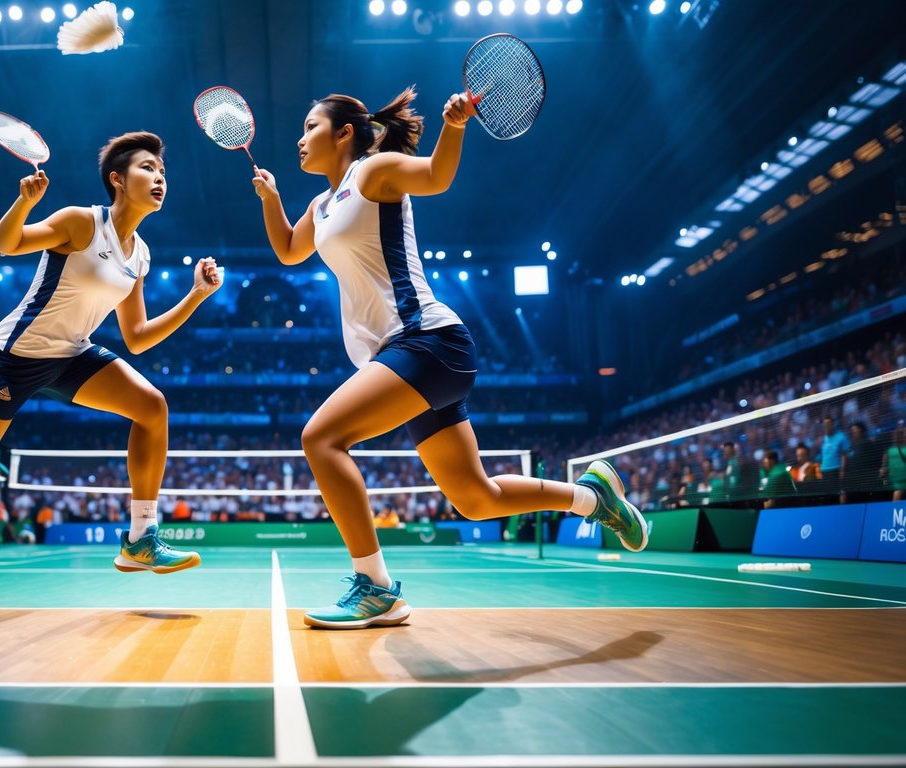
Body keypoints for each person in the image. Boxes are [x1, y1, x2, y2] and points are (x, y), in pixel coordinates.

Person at [250, 87, 646, 629]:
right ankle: (592, 498)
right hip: (405, 359)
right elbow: (290, 250)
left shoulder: (374, 171)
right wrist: (271, 198)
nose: (300, 138)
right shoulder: (321, 206)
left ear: (344, 133)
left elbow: (436, 175)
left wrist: (454, 127)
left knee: (321, 438)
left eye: (310, 126)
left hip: (427, 343)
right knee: (475, 498)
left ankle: (377, 588)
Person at [0, 131, 222, 574]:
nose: (159, 178)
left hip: (72, 356)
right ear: (117, 179)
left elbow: (136, 337)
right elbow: (8, 243)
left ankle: (140, 538)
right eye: (147, 168)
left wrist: (195, 296)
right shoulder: (81, 222)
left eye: (162, 171)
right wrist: (25, 202)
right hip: (15, 356)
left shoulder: (140, 255)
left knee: (152, 407)